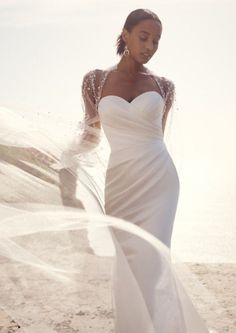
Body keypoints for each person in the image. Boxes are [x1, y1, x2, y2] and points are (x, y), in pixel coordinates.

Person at [0, 8, 218, 333]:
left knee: (155, 258)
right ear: (126, 34)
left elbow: (155, 134)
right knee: (128, 260)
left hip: (159, 179)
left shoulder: (164, 86)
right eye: (144, 37)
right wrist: (63, 153)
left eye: (157, 41)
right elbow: (91, 137)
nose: (150, 46)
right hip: (120, 182)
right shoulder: (95, 80)